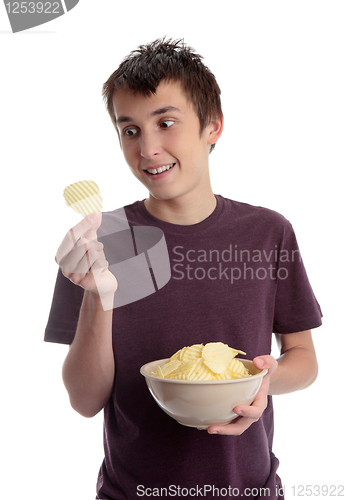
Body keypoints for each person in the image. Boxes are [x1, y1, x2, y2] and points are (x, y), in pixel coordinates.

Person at [45, 38, 322, 500]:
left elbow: (305, 360)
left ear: (212, 126)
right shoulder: (99, 242)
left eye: (166, 123)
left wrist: (261, 382)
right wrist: (98, 297)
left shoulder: (268, 232)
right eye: (129, 130)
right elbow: (84, 401)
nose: (148, 148)